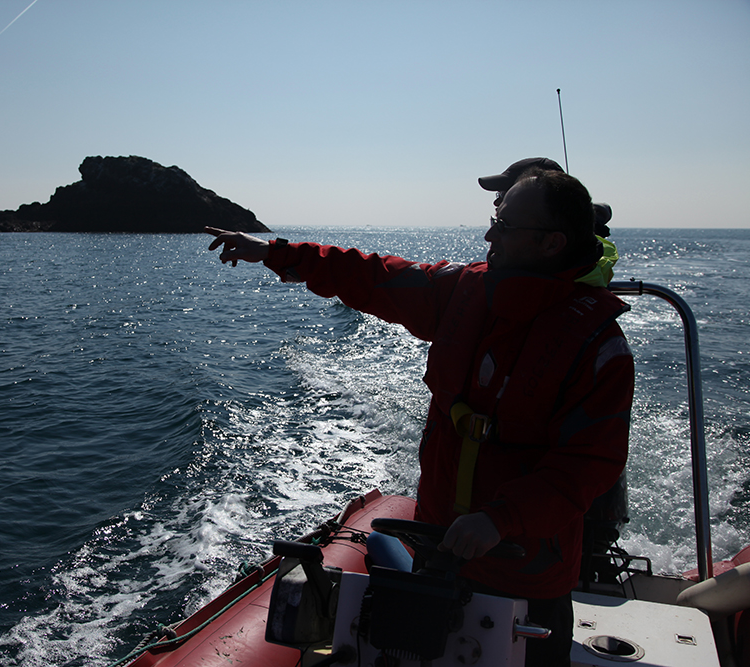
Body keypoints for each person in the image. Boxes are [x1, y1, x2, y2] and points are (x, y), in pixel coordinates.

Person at [205, 162, 634, 667]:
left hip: (525, 576)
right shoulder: (463, 292)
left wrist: (501, 520)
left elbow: (588, 465)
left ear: (551, 243)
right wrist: (275, 252)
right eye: (495, 216)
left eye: (507, 224)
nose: (489, 232)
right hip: (439, 551)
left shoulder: (599, 346)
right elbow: (373, 276)